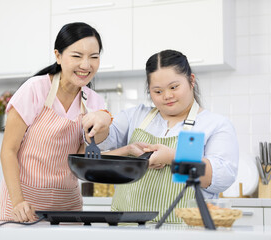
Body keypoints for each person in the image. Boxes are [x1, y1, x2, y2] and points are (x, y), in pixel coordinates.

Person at [82, 49, 239, 223]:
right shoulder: (136, 116)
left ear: (191, 81)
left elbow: (222, 176)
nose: (167, 96)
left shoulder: (214, 124)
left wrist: (173, 158)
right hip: (128, 228)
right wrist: (101, 120)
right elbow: (103, 142)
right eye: (157, 91)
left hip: (185, 231)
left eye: (174, 87)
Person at [0, 22, 111, 222]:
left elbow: (83, 159)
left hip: (68, 208)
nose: (86, 65)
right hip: (22, 207)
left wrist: (108, 127)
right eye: (76, 56)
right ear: (58, 56)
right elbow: (8, 150)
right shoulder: (35, 89)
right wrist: (18, 201)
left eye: (94, 57)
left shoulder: (95, 102)